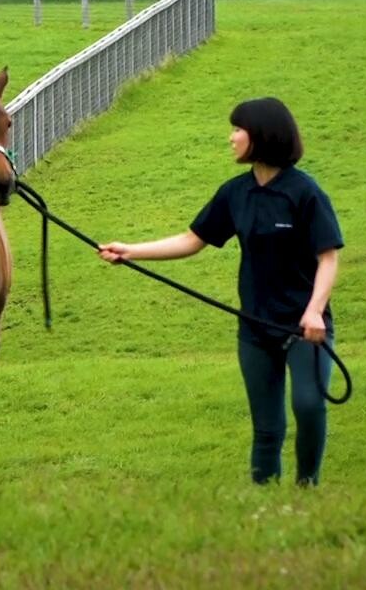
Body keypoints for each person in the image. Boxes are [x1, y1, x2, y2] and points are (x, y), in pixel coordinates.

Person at [97, 97, 343, 486]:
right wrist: (131, 251)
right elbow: (192, 240)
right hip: (255, 328)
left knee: (309, 406)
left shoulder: (304, 192)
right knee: (267, 428)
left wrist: (315, 311)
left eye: (237, 129)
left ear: (260, 136)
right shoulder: (235, 193)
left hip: (304, 328)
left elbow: (328, 257)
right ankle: (266, 502)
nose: (231, 138)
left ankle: (306, 489)